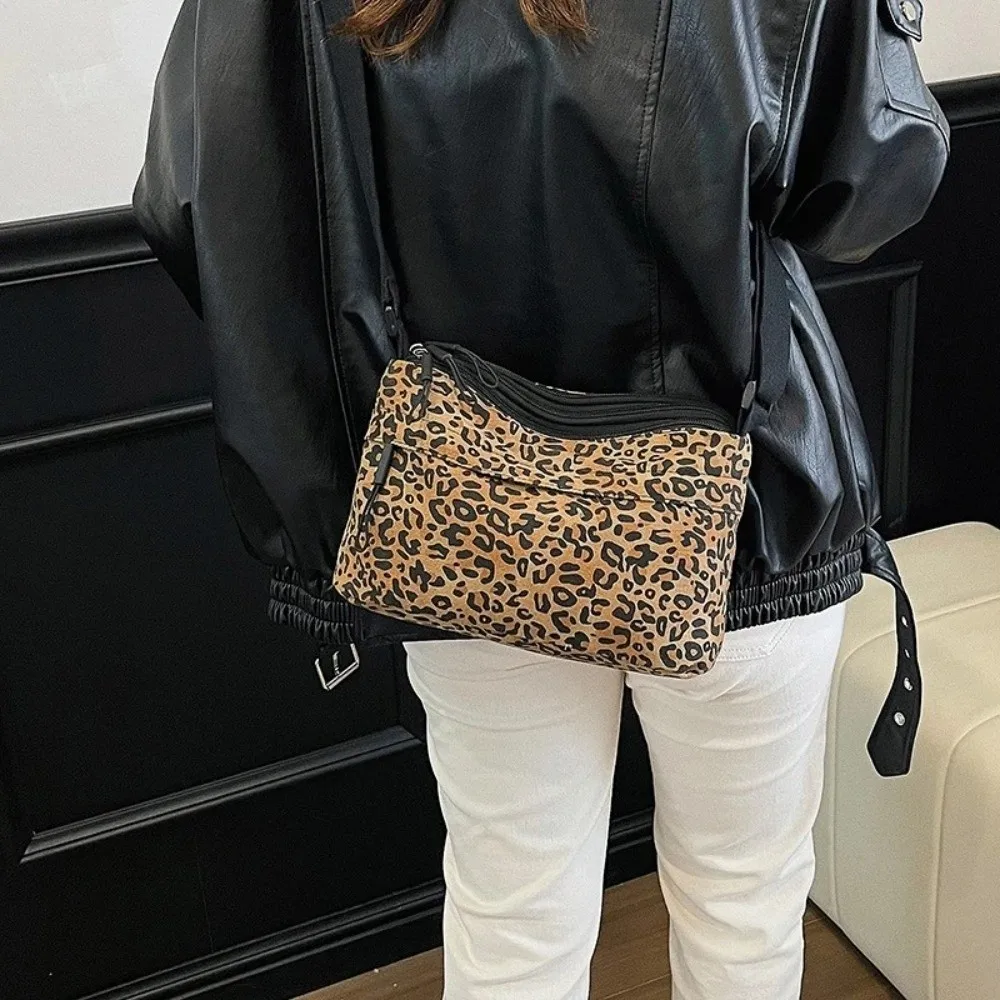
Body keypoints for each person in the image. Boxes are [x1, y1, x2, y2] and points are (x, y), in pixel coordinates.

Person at [133, 1, 949, 997]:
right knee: (745, 904)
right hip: (742, 503)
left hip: (464, 511)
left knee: (512, 924)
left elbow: (189, 199)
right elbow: (869, 192)